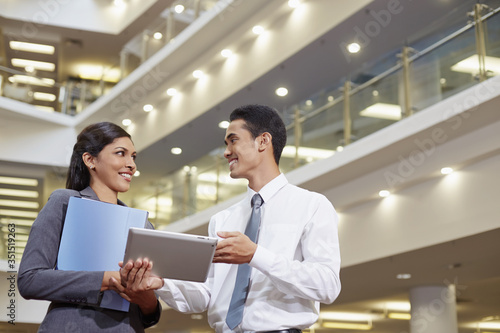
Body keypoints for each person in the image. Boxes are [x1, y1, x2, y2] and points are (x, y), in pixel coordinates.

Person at [120, 104, 341, 332]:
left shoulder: (312, 205)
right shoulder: (223, 219)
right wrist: (162, 284)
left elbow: (327, 285)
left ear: (263, 141)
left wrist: (255, 255)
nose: (226, 152)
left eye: (233, 140)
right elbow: (207, 295)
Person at [17, 122, 161, 332]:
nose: (131, 164)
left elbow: (149, 315)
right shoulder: (64, 201)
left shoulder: (143, 225)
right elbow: (30, 280)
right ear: (90, 159)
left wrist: (146, 296)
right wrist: (107, 279)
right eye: (121, 153)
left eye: (133, 156)